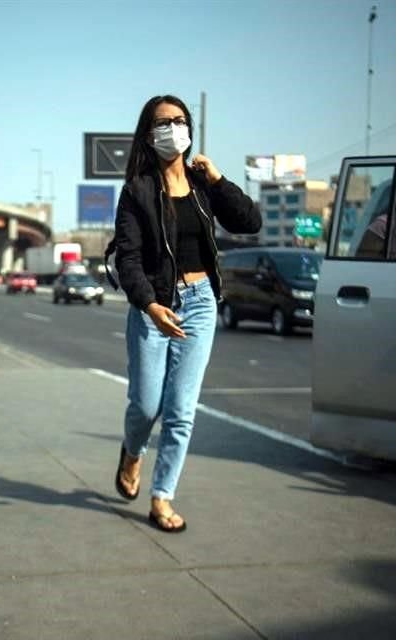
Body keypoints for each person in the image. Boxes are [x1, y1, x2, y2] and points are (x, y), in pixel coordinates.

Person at [111, 95, 261, 532]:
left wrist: (218, 180)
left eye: (179, 121)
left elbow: (249, 222)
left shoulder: (201, 186)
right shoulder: (136, 190)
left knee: (181, 409)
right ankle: (132, 450)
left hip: (200, 303)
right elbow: (129, 259)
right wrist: (150, 305)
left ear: (189, 129)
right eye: (162, 123)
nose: (172, 128)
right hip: (154, 305)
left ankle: (162, 496)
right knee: (145, 405)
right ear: (148, 133)